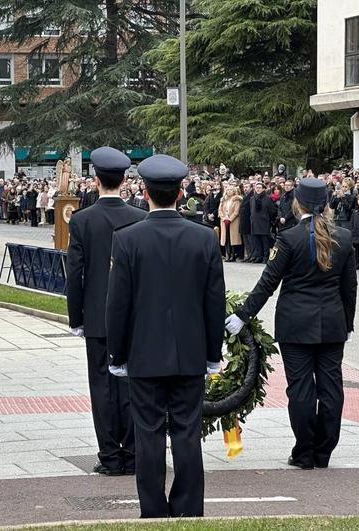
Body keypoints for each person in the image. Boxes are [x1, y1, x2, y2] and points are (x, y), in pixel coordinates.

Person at [106, 154, 225, 518]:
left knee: (149, 434)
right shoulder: (204, 238)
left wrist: (117, 354)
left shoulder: (127, 240)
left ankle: (154, 509)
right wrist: (212, 352)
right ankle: (188, 507)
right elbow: (213, 302)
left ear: (145, 192)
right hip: (189, 353)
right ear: (179, 192)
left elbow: (118, 305)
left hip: (144, 354)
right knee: (188, 432)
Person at [225, 178, 357, 470]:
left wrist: (243, 315)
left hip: (296, 324)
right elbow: (350, 287)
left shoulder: (289, 238)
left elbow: (267, 283)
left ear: (298, 204)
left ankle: (304, 452)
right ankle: (324, 452)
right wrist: (347, 323)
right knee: (331, 387)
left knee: (300, 389)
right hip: (332, 323)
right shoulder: (344, 237)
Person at [66, 147, 147, 476]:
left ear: (96, 180)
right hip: (134, 317)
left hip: (98, 316)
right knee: (131, 384)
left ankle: (110, 455)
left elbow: (75, 272)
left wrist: (76, 318)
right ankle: (133, 451)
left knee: (101, 386)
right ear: (124, 180)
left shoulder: (83, 220)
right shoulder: (140, 218)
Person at [249, 182, 276, 263]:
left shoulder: (268, 198)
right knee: (256, 241)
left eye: (260, 187)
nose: (258, 189)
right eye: (256, 187)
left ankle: (266, 257)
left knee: (265, 241)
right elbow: (251, 210)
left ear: (263, 189)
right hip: (254, 222)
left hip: (264, 222)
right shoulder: (252, 198)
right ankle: (259, 256)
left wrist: (267, 218)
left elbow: (272, 211)